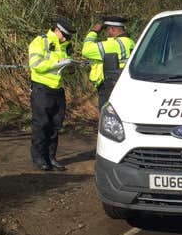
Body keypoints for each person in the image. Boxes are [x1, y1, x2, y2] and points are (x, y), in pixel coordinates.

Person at [28, 17, 75, 171]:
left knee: (55, 126)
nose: (67, 39)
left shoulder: (67, 46)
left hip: (58, 90)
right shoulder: (40, 41)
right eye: (65, 35)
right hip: (42, 88)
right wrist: (56, 64)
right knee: (41, 124)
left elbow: (67, 72)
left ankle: (51, 157)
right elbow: (35, 65)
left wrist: (70, 67)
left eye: (69, 37)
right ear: (57, 30)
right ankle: (39, 157)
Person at [81, 16, 135, 109]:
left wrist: (93, 32)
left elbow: (86, 50)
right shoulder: (130, 42)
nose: (105, 33)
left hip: (110, 85)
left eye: (106, 29)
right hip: (123, 82)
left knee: (106, 115)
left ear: (112, 29)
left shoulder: (113, 44)